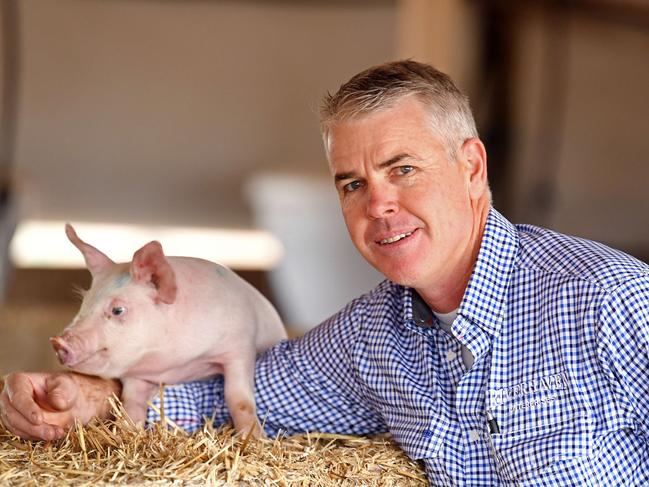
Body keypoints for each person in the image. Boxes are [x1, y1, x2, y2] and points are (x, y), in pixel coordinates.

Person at [2, 60, 648, 485]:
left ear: (472, 167)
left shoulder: (607, 302)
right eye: (351, 183)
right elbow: (230, 401)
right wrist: (89, 399)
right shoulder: (372, 335)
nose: (378, 204)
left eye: (403, 169)